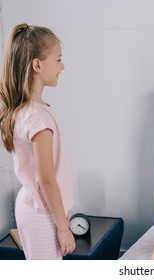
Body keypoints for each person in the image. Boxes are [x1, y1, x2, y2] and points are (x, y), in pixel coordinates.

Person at [0, 23, 75, 259]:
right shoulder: (38, 119)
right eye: (58, 59)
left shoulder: (26, 110)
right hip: (42, 214)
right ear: (38, 65)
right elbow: (46, 180)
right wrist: (63, 228)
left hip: (34, 207)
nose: (62, 66)